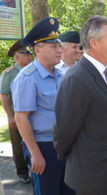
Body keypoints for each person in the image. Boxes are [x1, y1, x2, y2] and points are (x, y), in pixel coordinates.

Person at [53, 16, 107, 195]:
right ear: (94, 43)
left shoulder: (102, 73)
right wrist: (74, 163)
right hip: (91, 177)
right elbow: (63, 132)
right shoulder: (77, 78)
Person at [11, 17, 74, 195]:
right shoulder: (27, 78)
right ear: (38, 49)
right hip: (43, 146)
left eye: (59, 45)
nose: (59, 49)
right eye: (54, 46)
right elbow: (21, 117)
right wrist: (35, 153)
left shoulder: (60, 75)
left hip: (64, 145)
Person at [0, 39, 32, 184]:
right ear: (17, 56)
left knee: (34, 142)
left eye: (30, 53)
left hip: (32, 114)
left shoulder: (33, 70)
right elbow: (4, 95)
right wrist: (10, 116)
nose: (30, 56)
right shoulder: (9, 73)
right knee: (18, 145)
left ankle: (35, 169)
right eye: (26, 54)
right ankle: (22, 172)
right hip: (17, 115)